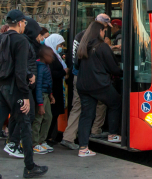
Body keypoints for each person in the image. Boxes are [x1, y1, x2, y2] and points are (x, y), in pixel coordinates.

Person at [0, 10, 48, 179]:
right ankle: (29, 167)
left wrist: (26, 74)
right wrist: (25, 95)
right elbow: (19, 69)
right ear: (19, 23)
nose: (25, 26)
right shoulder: (21, 40)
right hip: (15, 89)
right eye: (24, 23)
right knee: (25, 125)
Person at [61, 15, 110, 150]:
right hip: (91, 78)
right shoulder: (95, 39)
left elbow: (75, 58)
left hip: (78, 76)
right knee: (101, 102)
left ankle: (69, 137)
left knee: (78, 106)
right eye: (105, 27)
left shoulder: (80, 35)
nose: (105, 30)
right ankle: (95, 130)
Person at [76, 20, 123, 157]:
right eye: (103, 31)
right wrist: (123, 72)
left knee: (86, 115)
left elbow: (77, 64)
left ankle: (83, 148)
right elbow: (113, 67)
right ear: (99, 32)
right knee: (115, 103)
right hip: (99, 84)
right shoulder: (102, 46)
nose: (104, 33)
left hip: (83, 85)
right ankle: (113, 134)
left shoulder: (83, 46)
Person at [4, 17, 41, 158]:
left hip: (20, 83)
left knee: (19, 115)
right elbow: (20, 64)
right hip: (22, 84)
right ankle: (13, 143)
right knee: (28, 114)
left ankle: (13, 143)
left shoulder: (24, 41)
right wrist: (29, 75)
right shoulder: (24, 42)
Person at [44, 34, 68, 145]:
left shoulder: (54, 55)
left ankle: (49, 137)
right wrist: (64, 72)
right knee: (51, 114)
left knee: (54, 114)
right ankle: (47, 137)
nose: (61, 47)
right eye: (60, 44)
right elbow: (51, 73)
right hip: (53, 89)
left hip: (57, 88)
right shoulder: (50, 55)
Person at [32, 46, 55, 154]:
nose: (52, 58)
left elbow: (47, 83)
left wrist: (50, 94)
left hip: (46, 95)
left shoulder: (45, 65)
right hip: (42, 96)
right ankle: (34, 143)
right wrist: (40, 104)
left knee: (48, 117)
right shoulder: (40, 68)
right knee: (39, 119)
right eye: (50, 56)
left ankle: (41, 140)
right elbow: (39, 86)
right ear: (44, 56)